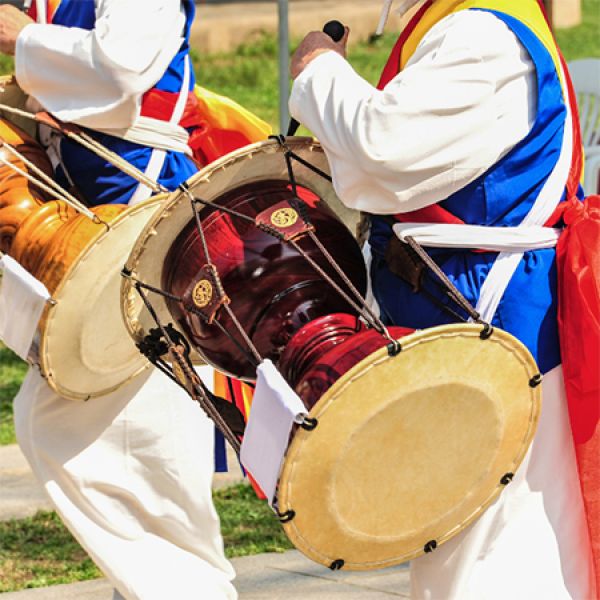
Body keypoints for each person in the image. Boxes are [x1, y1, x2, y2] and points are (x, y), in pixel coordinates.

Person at [290, 0, 595, 598]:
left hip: (497, 326)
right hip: (474, 320)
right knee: (478, 549)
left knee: (491, 555)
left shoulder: (483, 33)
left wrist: (319, 72)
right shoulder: (465, 22)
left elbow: (386, 148)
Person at [0, 1, 240, 598]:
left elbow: (122, 70)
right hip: (106, 210)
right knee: (122, 441)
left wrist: (26, 40)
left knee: (124, 435)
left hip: (140, 206)